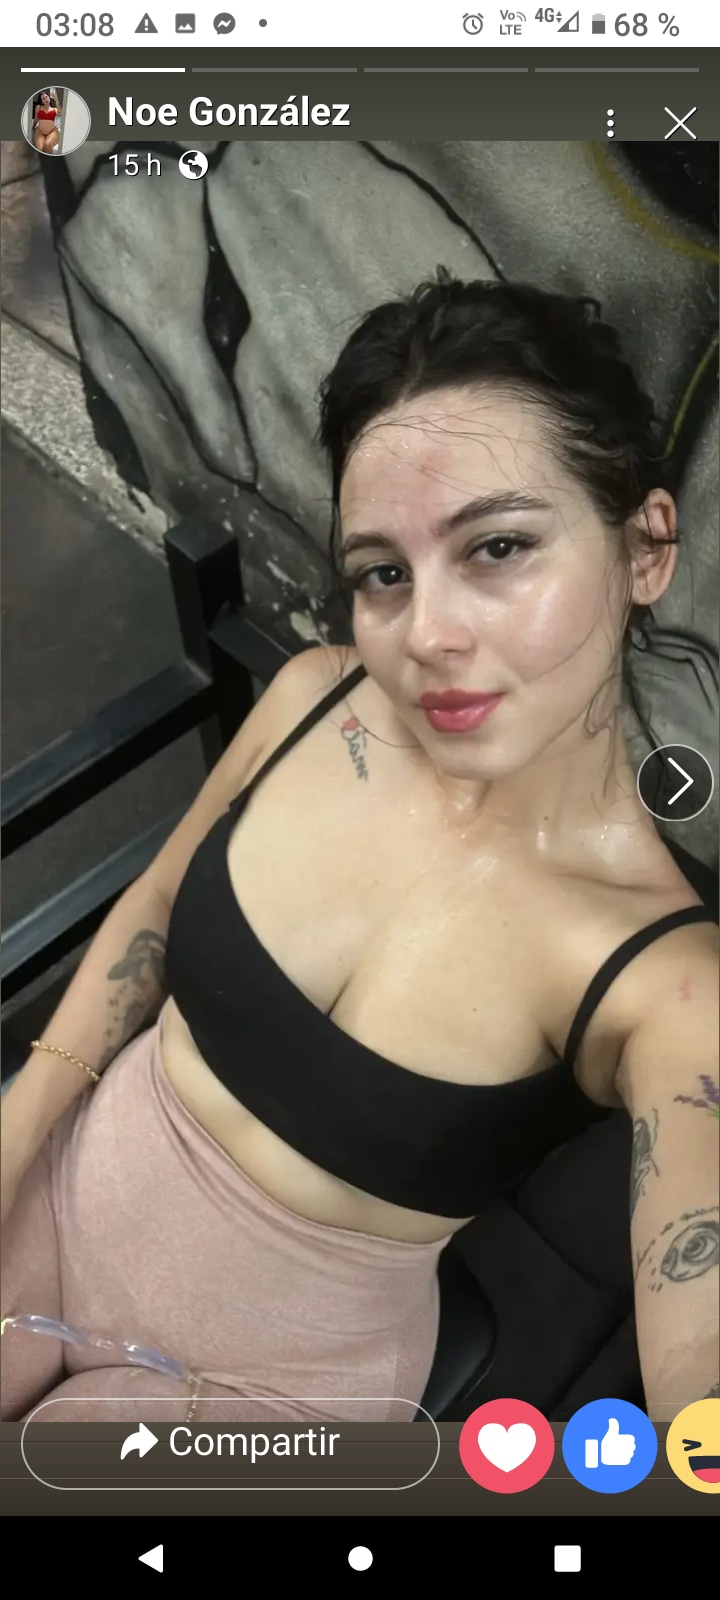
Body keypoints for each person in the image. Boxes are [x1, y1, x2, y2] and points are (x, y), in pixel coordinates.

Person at [2, 275, 717, 1426]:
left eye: (497, 546)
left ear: (644, 547)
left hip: (271, 1388)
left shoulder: (664, 979)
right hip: (65, 1183)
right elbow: (157, 901)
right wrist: (16, 1132)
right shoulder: (313, 701)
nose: (427, 634)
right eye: (384, 572)